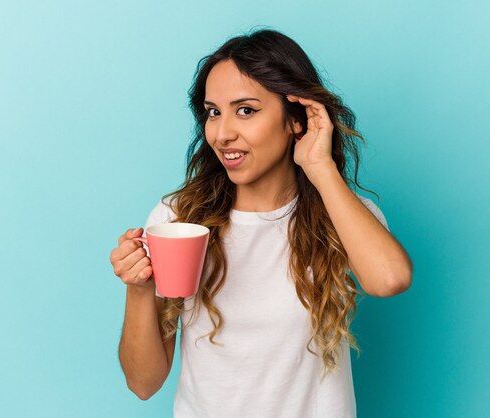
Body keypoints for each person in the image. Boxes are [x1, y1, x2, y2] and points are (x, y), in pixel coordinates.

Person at [110, 27, 413, 418]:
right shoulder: (177, 219)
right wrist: (138, 290)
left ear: (296, 119)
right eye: (213, 112)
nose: (222, 133)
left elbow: (390, 279)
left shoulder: (340, 213)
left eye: (246, 110)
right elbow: (143, 383)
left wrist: (320, 168)